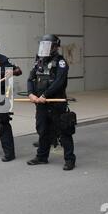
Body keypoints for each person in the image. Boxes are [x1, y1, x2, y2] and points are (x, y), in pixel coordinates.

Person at [26, 35, 76, 170]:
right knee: (43, 131)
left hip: (56, 103)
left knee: (64, 132)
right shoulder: (39, 62)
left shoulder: (60, 62)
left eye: (48, 46)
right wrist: (31, 94)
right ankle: (42, 157)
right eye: (43, 46)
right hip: (41, 104)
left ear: (55, 47)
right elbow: (30, 78)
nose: (45, 49)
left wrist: (44, 95)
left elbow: (59, 82)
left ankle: (69, 159)